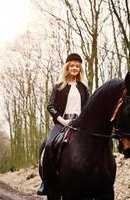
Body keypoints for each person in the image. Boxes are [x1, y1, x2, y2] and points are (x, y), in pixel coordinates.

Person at [37, 53, 89, 195]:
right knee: (48, 144)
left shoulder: (84, 88)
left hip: (80, 124)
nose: (74, 68)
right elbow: (51, 106)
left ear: (80, 69)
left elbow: (88, 107)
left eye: (77, 66)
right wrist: (62, 120)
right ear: (67, 67)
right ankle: (45, 182)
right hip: (62, 122)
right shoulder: (58, 87)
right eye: (72, 65)